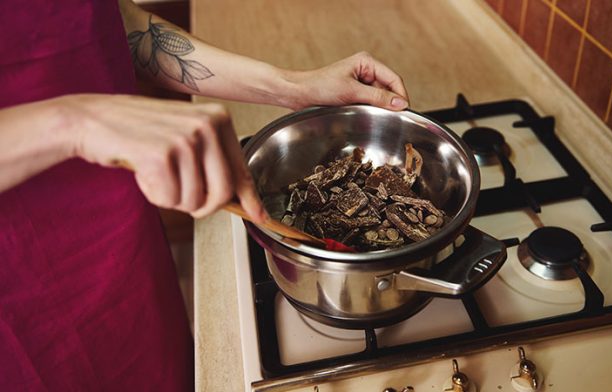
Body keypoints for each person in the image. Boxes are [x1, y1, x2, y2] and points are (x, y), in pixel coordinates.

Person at [0, 0, 409, 390]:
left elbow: (102, 22)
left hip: (121, 232)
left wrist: (290, 86)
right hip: (21, 288)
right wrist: (71, 121)